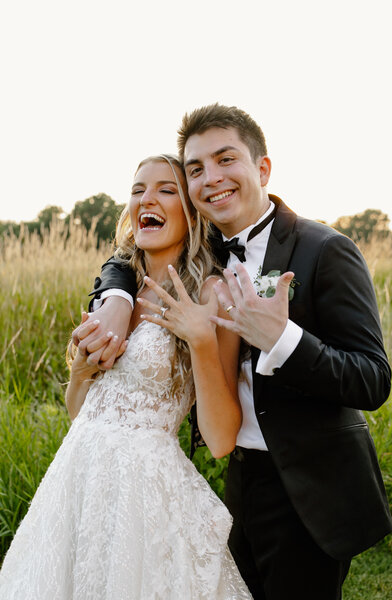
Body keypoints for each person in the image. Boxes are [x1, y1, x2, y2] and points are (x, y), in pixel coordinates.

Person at [78, 104, 392, 600]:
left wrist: (283, 340)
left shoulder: (325, 249)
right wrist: (115, 295)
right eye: (197, 169)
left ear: (262, 168)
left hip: (309, 488)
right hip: (238, 482)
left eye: (226, 159)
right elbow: (128, 256)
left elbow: (372, 379)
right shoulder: (204, 254)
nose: (212, 179)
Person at [0, 154, 252, 599]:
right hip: (77, 480)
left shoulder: (211, 293)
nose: (146, 199)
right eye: (138, 190)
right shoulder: (115, 290)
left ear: (194, 212)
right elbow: (86, 413)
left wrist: (202, 342)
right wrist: (79, 374)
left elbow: (220, 440)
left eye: (165, 190)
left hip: (143, 496)